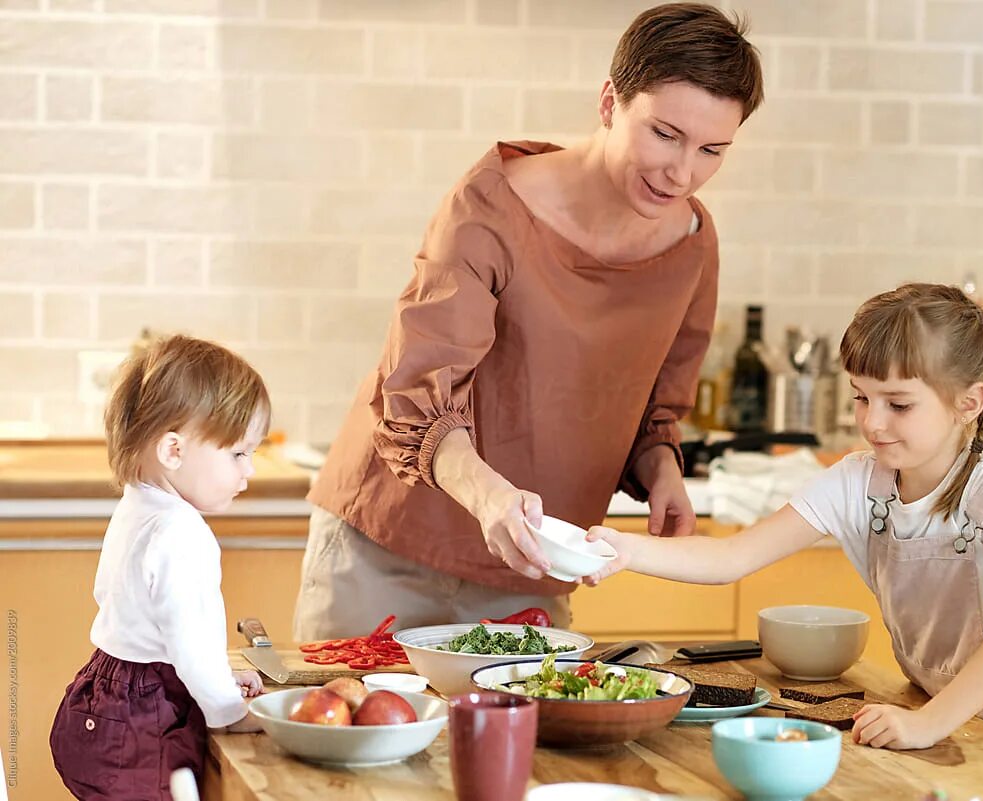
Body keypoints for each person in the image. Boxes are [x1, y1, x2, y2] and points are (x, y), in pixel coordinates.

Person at [294, 2, 764, 641]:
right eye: (664, 134)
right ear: (609, 103)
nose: (683, 172)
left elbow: (654, 409)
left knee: (536, 743)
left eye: (712, 149)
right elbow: (419, 392)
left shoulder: (692, 245)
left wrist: (663, 473)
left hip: (532, 564)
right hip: (389, 545)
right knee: (351, 727)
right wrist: (490, 498)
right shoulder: (491, 206)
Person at [583, 283, 983, 766]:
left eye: (898, 404)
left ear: (967, 403)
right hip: (933, 716)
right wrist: (627, 550)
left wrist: (927, 723)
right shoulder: (861, 482)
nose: (871, 423)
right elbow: (731, 557)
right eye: (861, 398)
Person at [50, 335, 270, 800]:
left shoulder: (137, 508)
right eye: (238, 453)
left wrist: (213, 676)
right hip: (142, 721)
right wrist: (230, 710)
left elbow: (147, 625)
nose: (248, 472)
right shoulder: (182, 532)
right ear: (174, 451)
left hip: (103, 695)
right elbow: (188, 640)